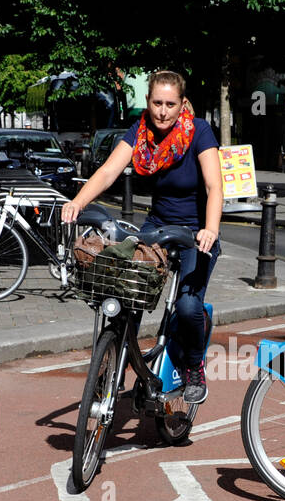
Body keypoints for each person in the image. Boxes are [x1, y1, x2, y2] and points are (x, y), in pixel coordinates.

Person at [62, 70, 223, 404]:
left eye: (170, 104)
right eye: (156, 103)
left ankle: (193, 365)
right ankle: (114, 365)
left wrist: (210, 228)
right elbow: (108, 170)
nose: (163, 111)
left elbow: (214, 185)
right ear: (148, 102)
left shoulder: (199, 131)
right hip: (159, 225)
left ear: (181, 105)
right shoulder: (141, 131)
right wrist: (77, 203)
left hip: (196, 232)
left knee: (188, 305)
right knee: (125, 289)